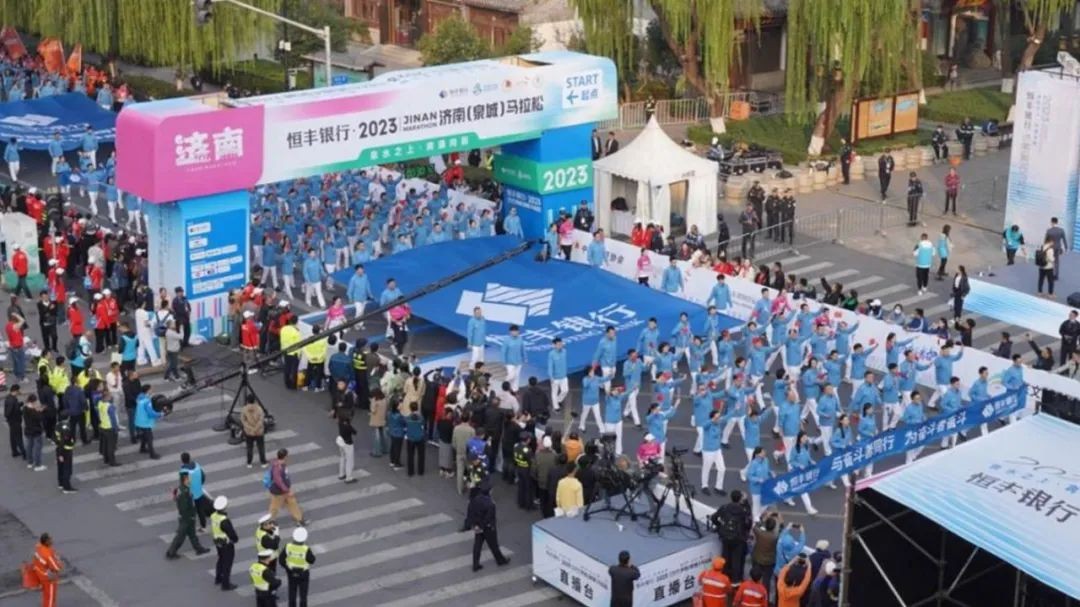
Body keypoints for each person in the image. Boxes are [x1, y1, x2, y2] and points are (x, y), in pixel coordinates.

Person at [465, 480, 510, 572]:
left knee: (477, 545)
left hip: (478, 526)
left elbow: (470, 512)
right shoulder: (490, 504)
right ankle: (500, 560)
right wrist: (482, 526)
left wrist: (475, 525)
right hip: (488, 527)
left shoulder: (475, 499)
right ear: (489, 491)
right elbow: (488, 518)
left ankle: (475, 564)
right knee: (494, 545)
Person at [165, 471, 211, 559]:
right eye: (188, 479)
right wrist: (192, 514)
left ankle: (199, 549)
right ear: (184, 480)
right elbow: (184, 507)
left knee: (192, 534)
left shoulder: (182, 489)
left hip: (187, 517)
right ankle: (171, 552)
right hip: (187, 518)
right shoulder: (184, 492)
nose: (190, 480)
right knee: (180, 536)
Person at [712, 490, 752, 585]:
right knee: (737, 560)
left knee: (725, 558)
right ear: (740, 499)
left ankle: (725, 578)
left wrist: (720, 526)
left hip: (725, 537)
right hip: (738, 539)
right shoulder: (743, 511)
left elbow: (714, 518)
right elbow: (748, 524)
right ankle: (735, 581)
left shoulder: (725, 507)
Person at [267, 448, 307, 526]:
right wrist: (287, 490)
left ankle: (299, 520)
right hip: (278, 492)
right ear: (285, 457)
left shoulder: (282, 464)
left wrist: (288, 488)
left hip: (284, 490)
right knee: (274, 508)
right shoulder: (277, 467)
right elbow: (278, 481)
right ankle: (269, 522)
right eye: (287, 456)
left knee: (293, 504)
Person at [210, 495, 239, 590]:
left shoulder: (213, 515)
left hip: (217, 542)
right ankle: (225, 584)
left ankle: (218, 578)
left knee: (220, 559)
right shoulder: (224, 520)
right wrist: (235, 539)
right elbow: (232, 533)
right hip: (226, 544)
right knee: (227, 564)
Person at [283, 527, 315, 607]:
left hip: (291, 573)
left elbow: (281, 560)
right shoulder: (305, 549)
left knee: (292, 593)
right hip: (303, 574)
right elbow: (312, 560)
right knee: (303, 595)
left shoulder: (288, 546)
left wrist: (287, 568)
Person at [32, 533, 63, 607]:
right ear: (46, 542)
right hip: (49, 579)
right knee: (51, 598)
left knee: (46, 595)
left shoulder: (38, 548)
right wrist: (59, 561)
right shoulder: (48, 555)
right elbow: (56, 567)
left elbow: (35, 559)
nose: (51, 540)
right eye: (50, 539)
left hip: (41, 575)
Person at [134, 384, 162, 459]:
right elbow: (151, 413)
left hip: (139, 420)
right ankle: (152, 454)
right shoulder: (147, 401)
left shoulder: (139, 397)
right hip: (145, 421)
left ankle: (142, 448)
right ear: (148, 390)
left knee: (144, 436)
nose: (152, 390)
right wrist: (160, 414)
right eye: (151, 389)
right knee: (150, 438)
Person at [242, 395, 267, 468]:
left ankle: (249, 463)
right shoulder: (259, 409)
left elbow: (243, 421)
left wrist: (250, 429)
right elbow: (261, 421)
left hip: (249, 432)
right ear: (254, 401)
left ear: (247, 401)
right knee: (261, 447)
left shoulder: (244, 409)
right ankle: (263, 463)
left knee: (249, 447)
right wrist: (255, 429)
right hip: (259, 432)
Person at [337, 403, 358, 483]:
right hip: (348, 443)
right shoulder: (348, 426)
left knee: (342, 457)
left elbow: (340, 411)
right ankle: (349, 477)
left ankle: (341, 474)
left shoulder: (340, 423)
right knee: (349, 461)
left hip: (340, 442)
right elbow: (355, 432)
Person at [54, 415, 76, 492]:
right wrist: (61, 454)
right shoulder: (67, 428)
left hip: (59, 449)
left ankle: (61, 483)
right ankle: (67, 487)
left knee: (60, 467)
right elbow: (63, 441)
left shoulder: (57, 425)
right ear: (68, 418)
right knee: (67, 469)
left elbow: (55, 438)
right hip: (65, 451)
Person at [404, 401, 425, 477]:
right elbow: (423, 426)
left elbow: (406, 427)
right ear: (417, 408)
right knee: (421, 455)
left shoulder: (407, 418)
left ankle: (410, 471)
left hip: (410, 438)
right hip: (420, 438)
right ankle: (420, 471)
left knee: (410, 455)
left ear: (410, 408)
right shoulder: (421, 418)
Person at [4, 384, 24, 460]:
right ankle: (24, 452)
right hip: (15, 421)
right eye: (18, 390)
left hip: (12, 422)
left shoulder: (9, 398)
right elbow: (9, 412)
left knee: (13, 437)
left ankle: (14, 451)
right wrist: (21, 412)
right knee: (18, 437)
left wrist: (19, 404)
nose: (19, 392)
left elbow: (11, 409)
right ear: (15, 390)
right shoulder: (12, 400)